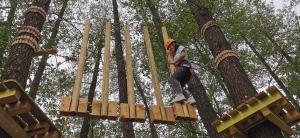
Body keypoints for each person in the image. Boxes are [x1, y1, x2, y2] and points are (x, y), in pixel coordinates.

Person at [164, 38, 196, 104]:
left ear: (173, 44)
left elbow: (183, 55)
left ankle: (180, 95)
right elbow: (177, 63)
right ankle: (190, 98)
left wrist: (174, 61)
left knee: (173, 78)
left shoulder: (179, 47)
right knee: (180, 86)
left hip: (185, 67)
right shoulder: (174, 54)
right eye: (168, 48)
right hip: (186, 71)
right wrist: (176, 66)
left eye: (169, 47)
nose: (170, 49)